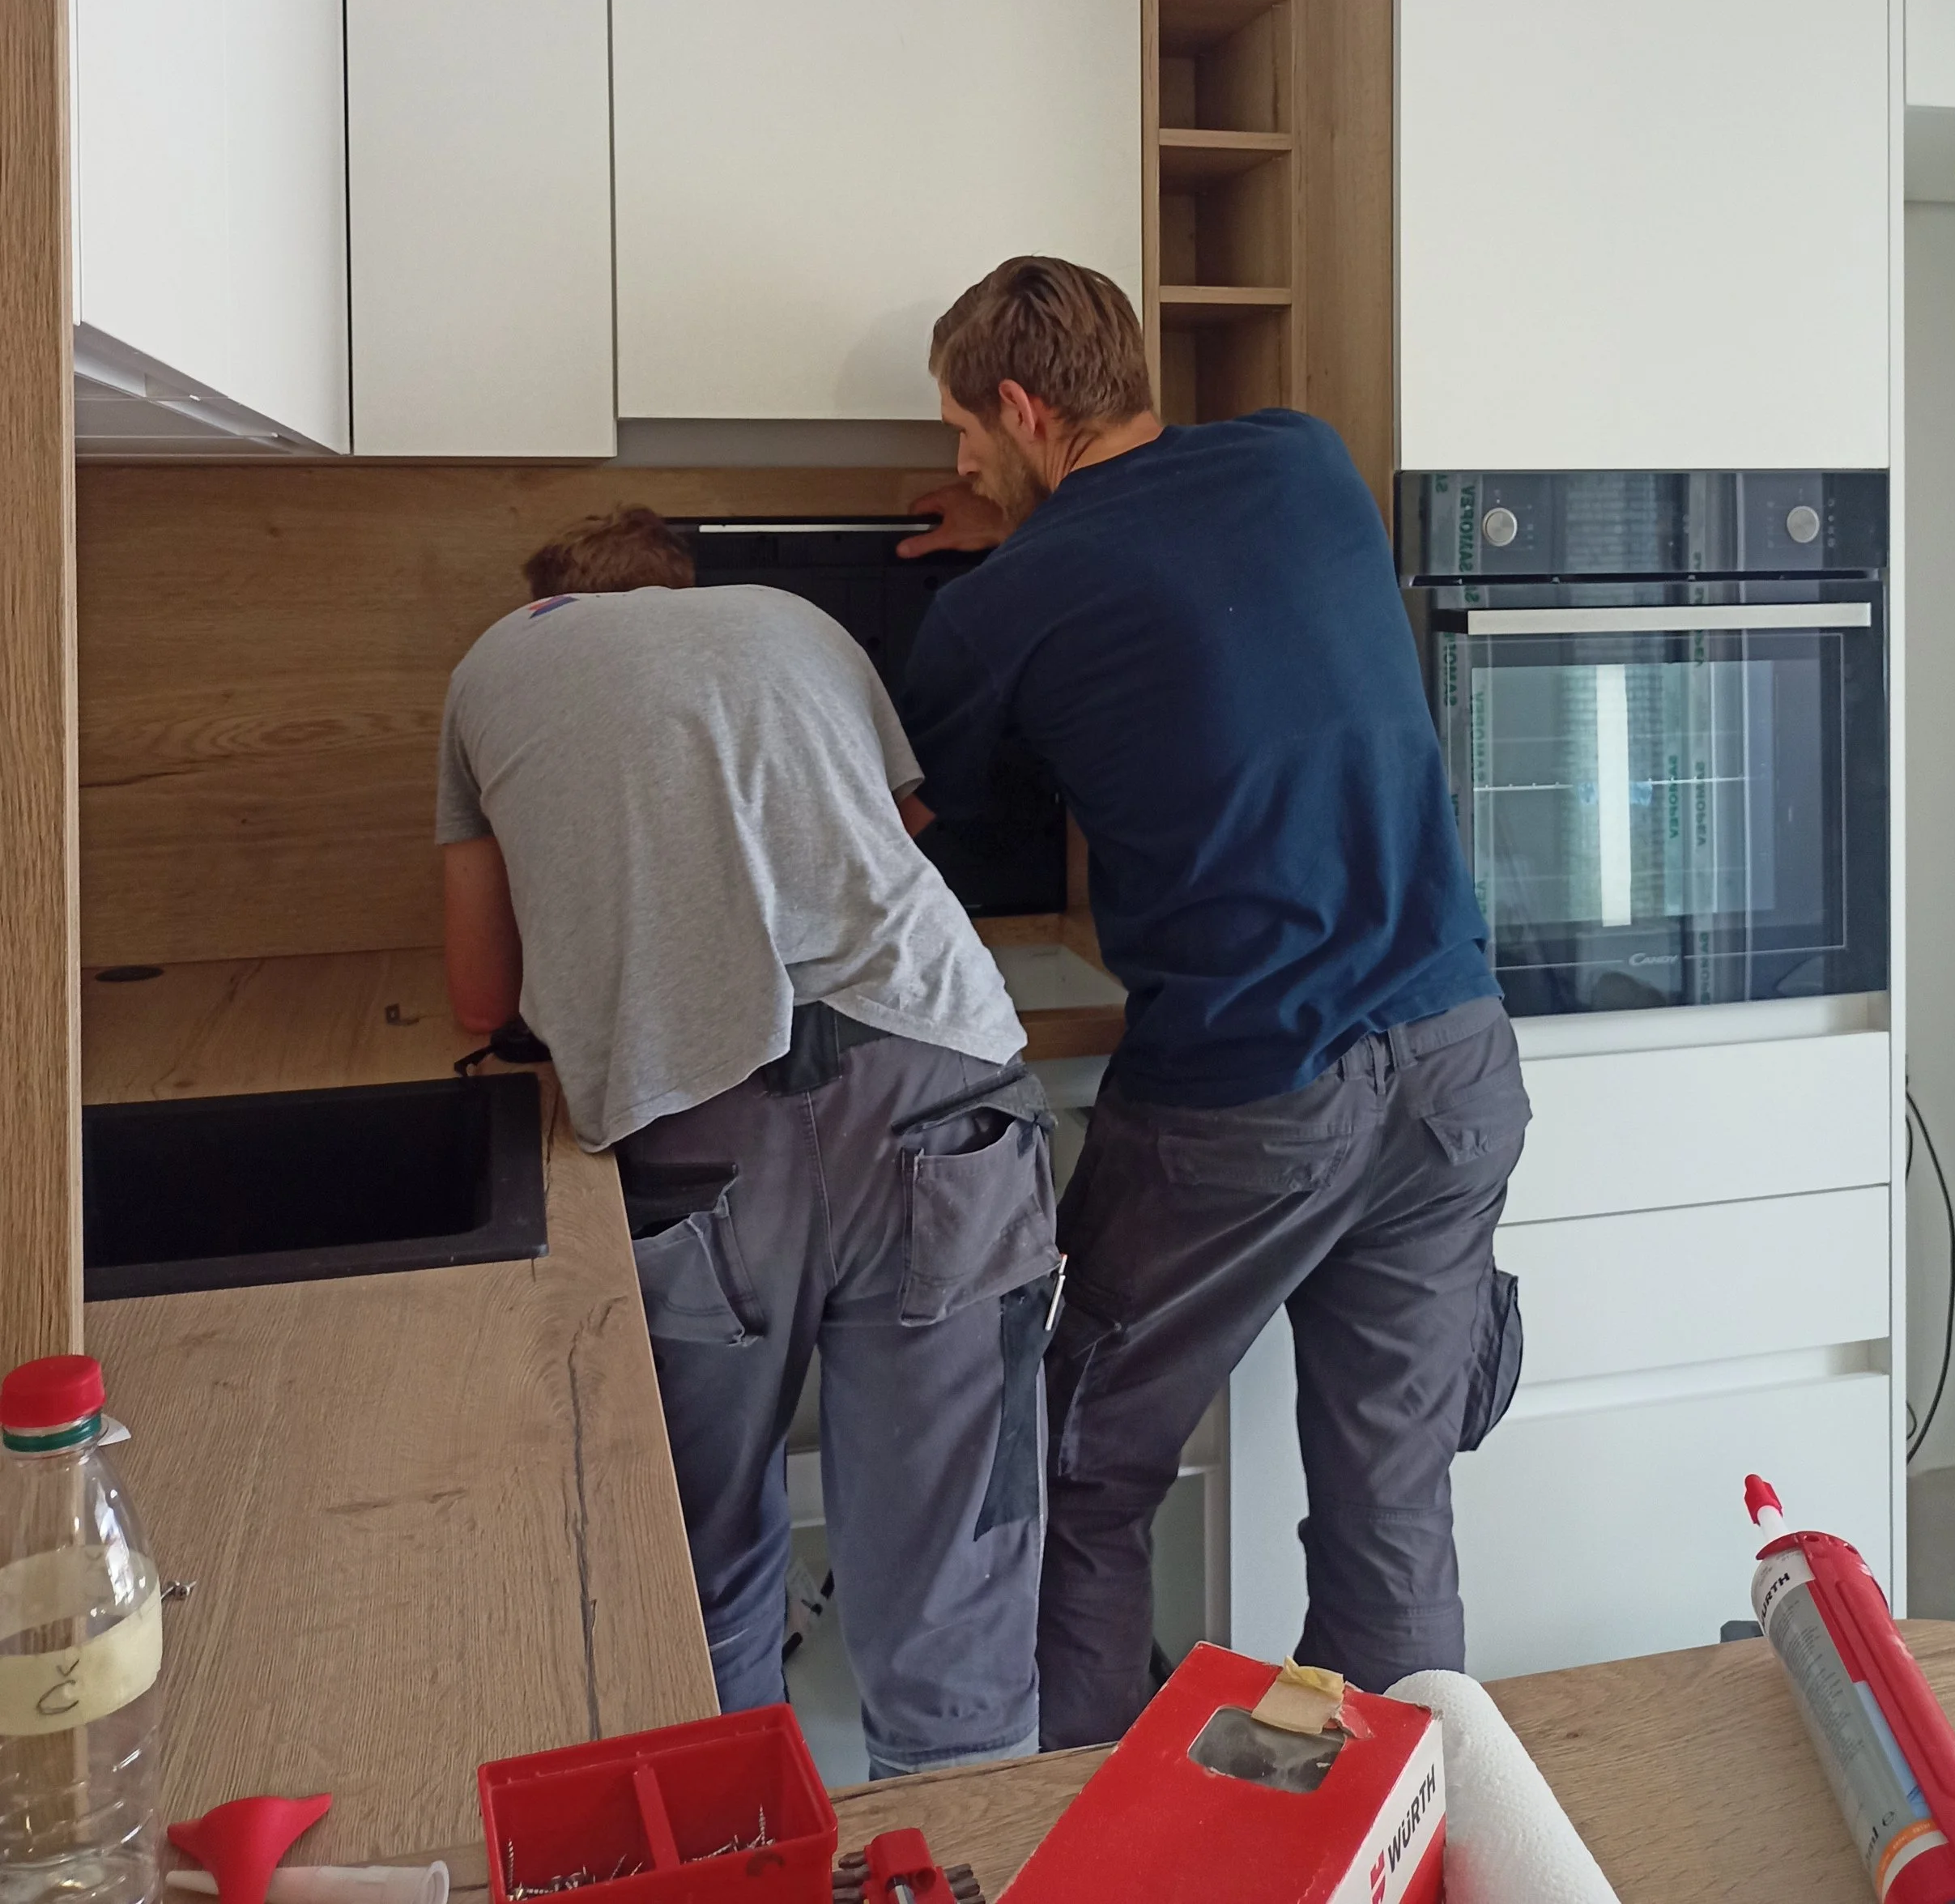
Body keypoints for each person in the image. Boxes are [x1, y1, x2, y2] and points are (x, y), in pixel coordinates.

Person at [893, 257, 1531, 1750]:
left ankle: (1101, 1837)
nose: (959, 467)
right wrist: (1029, 525)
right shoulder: (1305, 456)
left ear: (1020, 405)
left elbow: (915, 818)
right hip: (1455, 1054)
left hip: (1254, 1096)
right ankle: (1376, 1829)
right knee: (1391, 1494)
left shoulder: (1006, 607)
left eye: (962, 436)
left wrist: (998, 568)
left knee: (1083, 1466)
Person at [436, 505, 1058, 1777]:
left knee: (701, 1558)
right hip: (939, 1082)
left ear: (550, 591)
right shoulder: (803, 623)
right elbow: (901, 835)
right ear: (680, 583)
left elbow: (480, 998)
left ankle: (724, 1847)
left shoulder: (494, 660)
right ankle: (962, 1846)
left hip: (695, 1122)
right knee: (955, 1568)